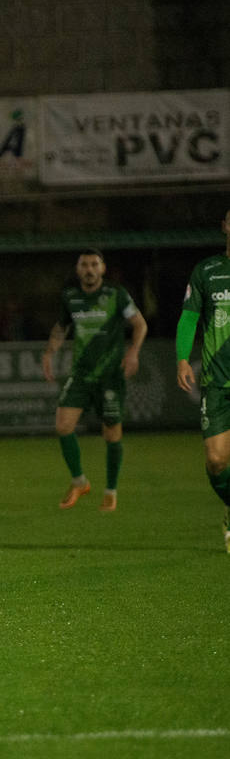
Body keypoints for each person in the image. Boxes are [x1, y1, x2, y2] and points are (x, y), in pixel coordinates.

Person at [41, 248, 147, 512]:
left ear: (102, 268)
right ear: (78, 270)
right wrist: (50, 352)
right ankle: (79, 482)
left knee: (111, 434)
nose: (89, 269)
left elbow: (139, 324)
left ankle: (110, 491)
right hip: (81, 374)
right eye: (84, 265)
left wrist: (133, 352)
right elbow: (61, 326)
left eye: (94, 264)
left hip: (110, 376)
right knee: (63, 425)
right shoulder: (70, 296)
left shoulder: (116, 294)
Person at [176, 208, 230, 550]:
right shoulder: (207, 270)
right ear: (225, 226)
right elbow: (189, 318)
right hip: (217, 381)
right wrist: (182, 357)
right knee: (216, 461)